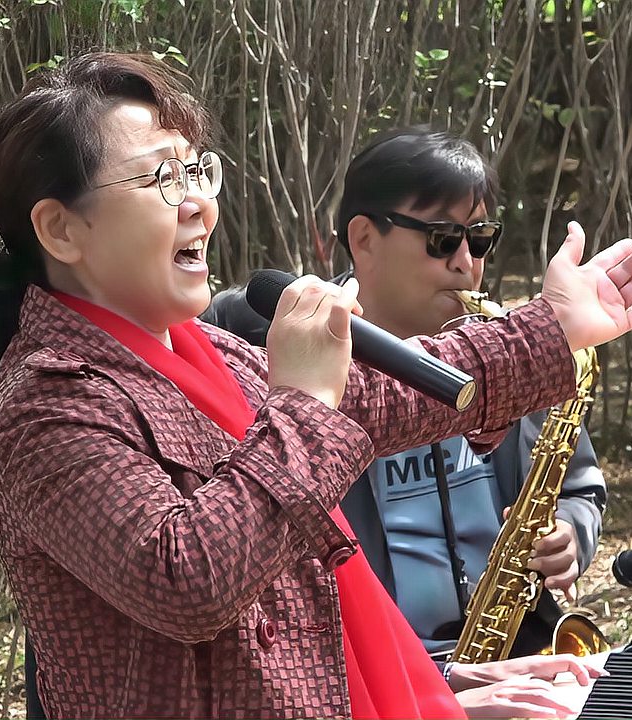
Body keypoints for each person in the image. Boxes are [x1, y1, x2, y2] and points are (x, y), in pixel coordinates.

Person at [0, 51, 632, 719]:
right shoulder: (49, 404)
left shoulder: (211, 351)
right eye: (163, 177)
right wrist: (303, 406)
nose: (197, 202)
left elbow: (393, 395)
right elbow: (192, 581)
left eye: (198, 172)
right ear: (62, 231)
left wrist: (556, 325)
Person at [205, 127, 607, 716]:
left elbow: (579, 485)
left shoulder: (499, 347)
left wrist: (571, 531)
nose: (467, 264)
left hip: (514, 658)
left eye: (481, 239)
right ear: (364, 238)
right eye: (443, 239)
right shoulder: (282, 363)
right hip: (369, 683)